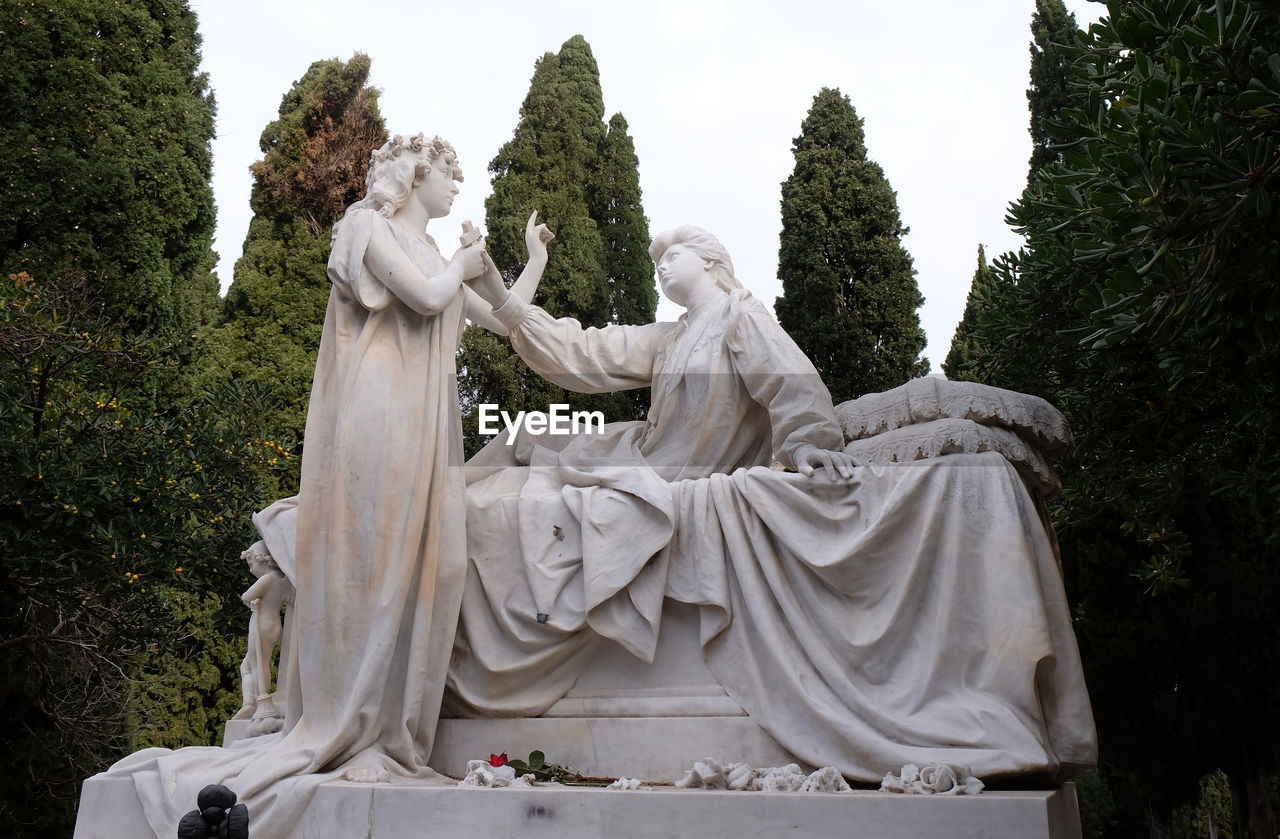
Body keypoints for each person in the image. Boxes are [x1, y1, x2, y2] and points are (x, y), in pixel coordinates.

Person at [448, 225, 1097, 782]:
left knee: (532, 501)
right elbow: (583, 353)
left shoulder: (741, 316)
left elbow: (789, 382)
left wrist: (810, 442)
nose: (661, 264)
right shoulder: (669, 338)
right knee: (520, 444)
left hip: (679, 475)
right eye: (657, 261)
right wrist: (507, 294)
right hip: (645, 459)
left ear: (710, 261)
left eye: (673, 254)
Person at [97, 133, 553, 837]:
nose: (458, 189)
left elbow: (504, 323)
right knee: (367, 564)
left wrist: (529, 263)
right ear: (417, 175)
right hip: (379, 411)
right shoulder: (365, 226)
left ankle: (389, 729)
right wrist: (464, 264)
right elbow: (429, 299)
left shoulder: (438, 253)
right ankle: (355, 731)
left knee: (434, 563)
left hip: (428, 426)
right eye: (451, 176)